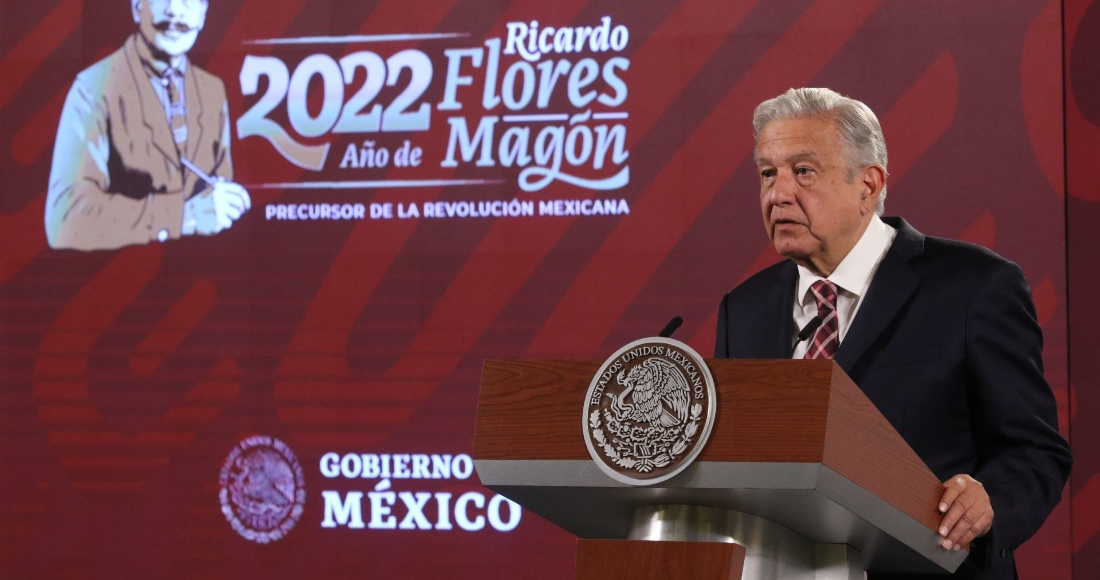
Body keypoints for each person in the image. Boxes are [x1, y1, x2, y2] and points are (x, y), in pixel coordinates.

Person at [715, 88, 1072, 579]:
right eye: (767, 173)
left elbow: (1036, 451)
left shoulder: (973, 287)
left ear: (868, 185)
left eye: (803, 171)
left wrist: (990, 501)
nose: (778, 194)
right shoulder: (744, 310)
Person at [45, 0, 250, 251]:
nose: (174, 10)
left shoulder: (213, 91)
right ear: (136, 7)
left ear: (203, 15)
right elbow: (64, 219)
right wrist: (183, 216)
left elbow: (219, 193)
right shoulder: (93, 86)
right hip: (120, 280)